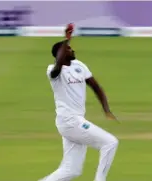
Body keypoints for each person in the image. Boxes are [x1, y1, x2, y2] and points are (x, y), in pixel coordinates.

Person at [40, 24, 119, 181]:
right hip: (69, 121)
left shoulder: (79, 66)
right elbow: (58, 65)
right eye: (69, 49)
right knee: (110, 142)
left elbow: (96, 87)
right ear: (60, 55)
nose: (72, 50)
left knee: (71, 170)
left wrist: (106, 109)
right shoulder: (53, 71)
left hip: (76, 120)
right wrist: (67, 39)